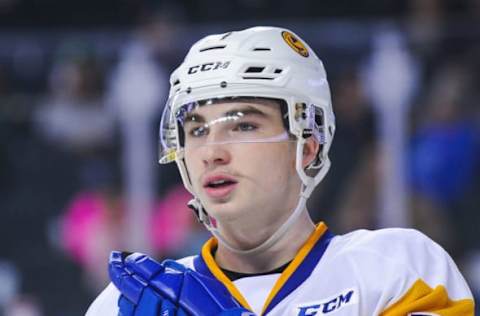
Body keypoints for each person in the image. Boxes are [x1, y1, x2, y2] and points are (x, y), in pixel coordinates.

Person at [86, 26, 474, 316]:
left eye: (242, 125)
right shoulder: (127, 304)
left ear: (307, 147)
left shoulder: (398, 267)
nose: (212, 152)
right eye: (197, 129)